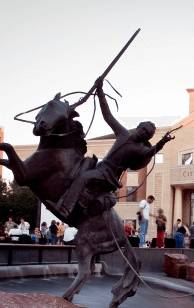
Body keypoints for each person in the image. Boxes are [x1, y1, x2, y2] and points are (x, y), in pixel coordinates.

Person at [54, 79, 174, 218]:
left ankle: (65, 209)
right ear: (138, 127)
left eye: (147, 134)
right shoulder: (123, 133)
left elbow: (149, 152)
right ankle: (65, 197)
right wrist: (100, 92)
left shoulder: (139, 149)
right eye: (143, 129)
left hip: (108, 175)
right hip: (100, 166)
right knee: (77, 167)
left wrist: (160, 143)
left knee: (83, 176)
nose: (143, 133)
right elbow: (108, 115)